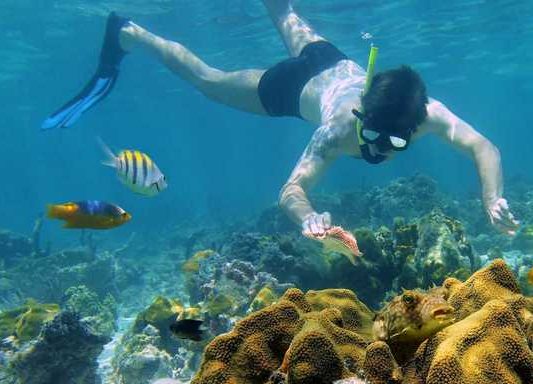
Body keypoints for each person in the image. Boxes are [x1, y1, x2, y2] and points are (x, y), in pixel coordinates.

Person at [42, 0, 519, 240]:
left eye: (390, 145)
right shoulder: (337, 127)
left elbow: (484, 147)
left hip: (331, 58)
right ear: (362, 112)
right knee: (209, 80)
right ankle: (130, 33)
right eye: (369, 134)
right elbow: (291, 189)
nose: (373, 148)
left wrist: (492, 198)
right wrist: (308, 217)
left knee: (283, 9)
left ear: (415, 127)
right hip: (293, 87)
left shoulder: (428, 114)